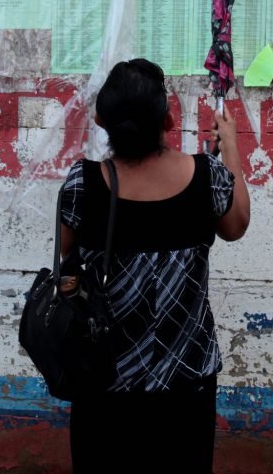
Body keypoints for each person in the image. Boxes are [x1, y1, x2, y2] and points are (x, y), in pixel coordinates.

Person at [58, 58, 250, 474]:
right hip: (186, 384)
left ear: (100, 118)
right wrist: (230, 144)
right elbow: (236, 225)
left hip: (104, 384)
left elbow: (65, 254)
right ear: (167, 119)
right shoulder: (207, 176)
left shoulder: (82, 184)